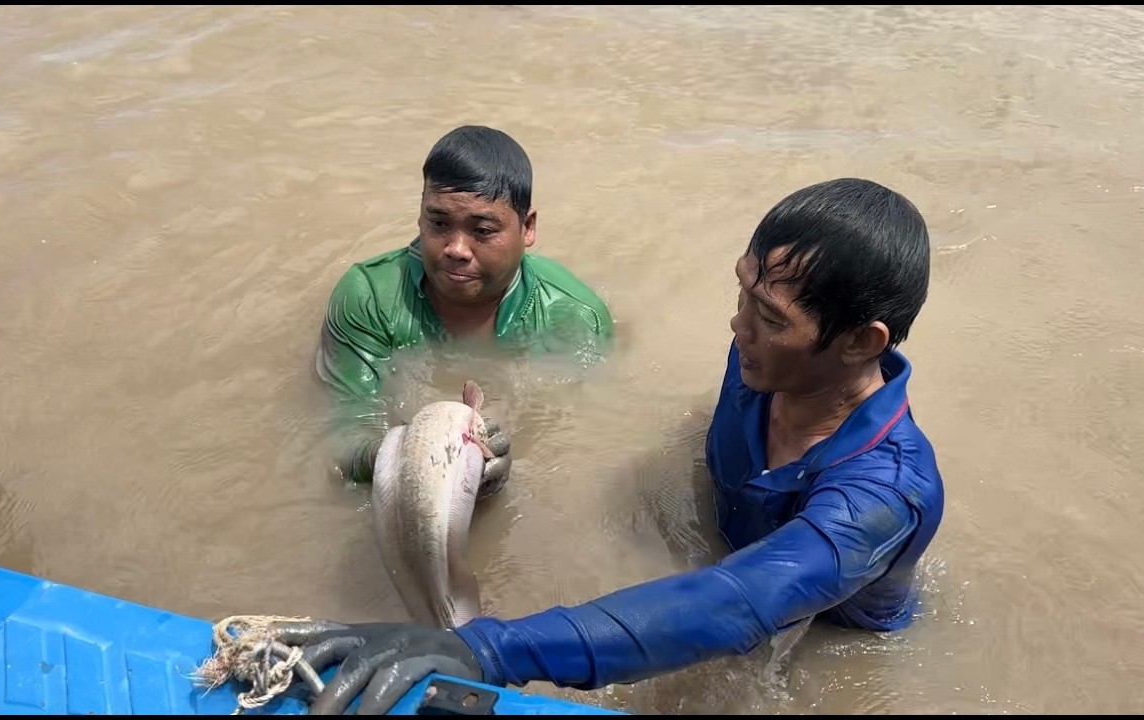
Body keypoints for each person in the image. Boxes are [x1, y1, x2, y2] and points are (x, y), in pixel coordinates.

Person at [278, 177, 945, 715]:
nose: (737, 324)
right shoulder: (767, 360)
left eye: (770, 318)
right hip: (734, 558)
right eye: (743, 292)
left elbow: (738, 604)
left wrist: (487, 651)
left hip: (824, 631)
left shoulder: (884, 495)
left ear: (862, 342)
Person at [316, 125, 616, 492]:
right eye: (439, 223)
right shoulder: (369, 297)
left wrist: (507, 470)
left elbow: (577, 450)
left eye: (483, 230)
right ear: (420, 216)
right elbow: (341, 438)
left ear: (528, 227)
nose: (456, 248)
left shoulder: (573, 317)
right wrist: (401, 456)